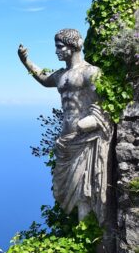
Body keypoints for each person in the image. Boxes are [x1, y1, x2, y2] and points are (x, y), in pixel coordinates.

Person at [17, 29, 113, 224]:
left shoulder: (90, 72)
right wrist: (25, 61)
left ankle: (88, 235)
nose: (56, 51)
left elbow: (105, 107)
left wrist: (89, 122)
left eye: (59, 47)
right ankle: (79, 232)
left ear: (73, 46)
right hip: (66, 140)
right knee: (64, 190)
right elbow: (44, 79)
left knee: (85, 190)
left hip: (85, 139)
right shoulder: (61, 74)